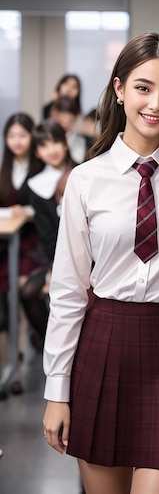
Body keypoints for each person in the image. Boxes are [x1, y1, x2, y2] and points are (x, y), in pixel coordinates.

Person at [41, 32, 159, 494]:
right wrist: (57, 390)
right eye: (143, 87)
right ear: (119, 89)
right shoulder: (85, 180)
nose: (155, 103)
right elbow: (68, 291)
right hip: (103, 344)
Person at [21, 120, 75, 350]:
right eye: (43, 146)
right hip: (57, 257)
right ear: (37, 152)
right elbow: (48, 238)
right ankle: (50, 345)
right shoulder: (36, 185)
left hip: (94, 255)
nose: (51, 150)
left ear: (65, 143)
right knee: (30, 292)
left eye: (55, 142)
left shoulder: (85, 173)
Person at [0, 113, 43, 397]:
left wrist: (26, 212)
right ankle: (10, 363)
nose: (16, 141)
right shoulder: (4, 168)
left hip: (31, 244)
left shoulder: (40, 167)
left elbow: (45, 207)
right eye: (11, 136)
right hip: (6, 243)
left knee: (18, 288)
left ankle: (19, 361)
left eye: (22, 135)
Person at [49, 96, 88, 164]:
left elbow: (78, 160)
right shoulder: (46, 136)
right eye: (61, 121)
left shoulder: (80, 140)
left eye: (70, 121)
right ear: (53, 116)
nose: (65, 124)